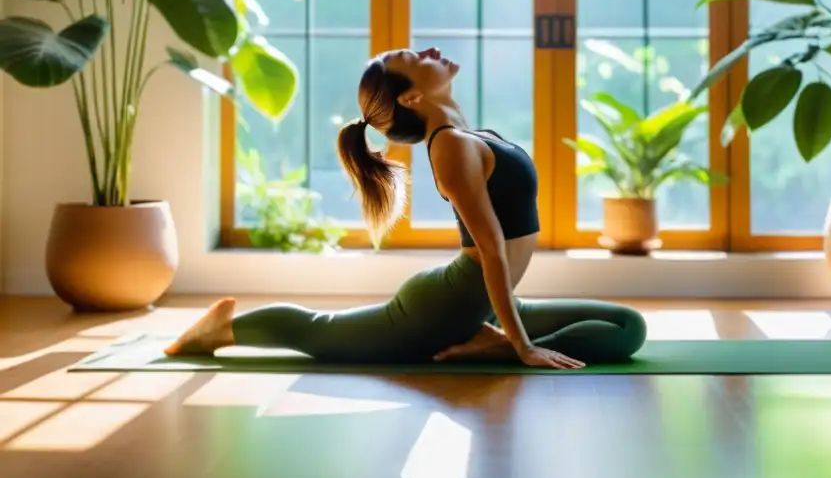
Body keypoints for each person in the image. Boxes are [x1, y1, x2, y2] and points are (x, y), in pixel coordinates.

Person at [164, 48, 647, 369]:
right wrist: (522, 346)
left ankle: (487, 343)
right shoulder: (451, 148)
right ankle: (220, 329)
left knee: (628, 328)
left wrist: (509, 335)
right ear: (413, 96)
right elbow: (493, 249)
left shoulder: (470, 137)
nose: (431, 52)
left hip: (487, 302)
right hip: (444, 307)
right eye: (416, 57)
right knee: (323, 335)